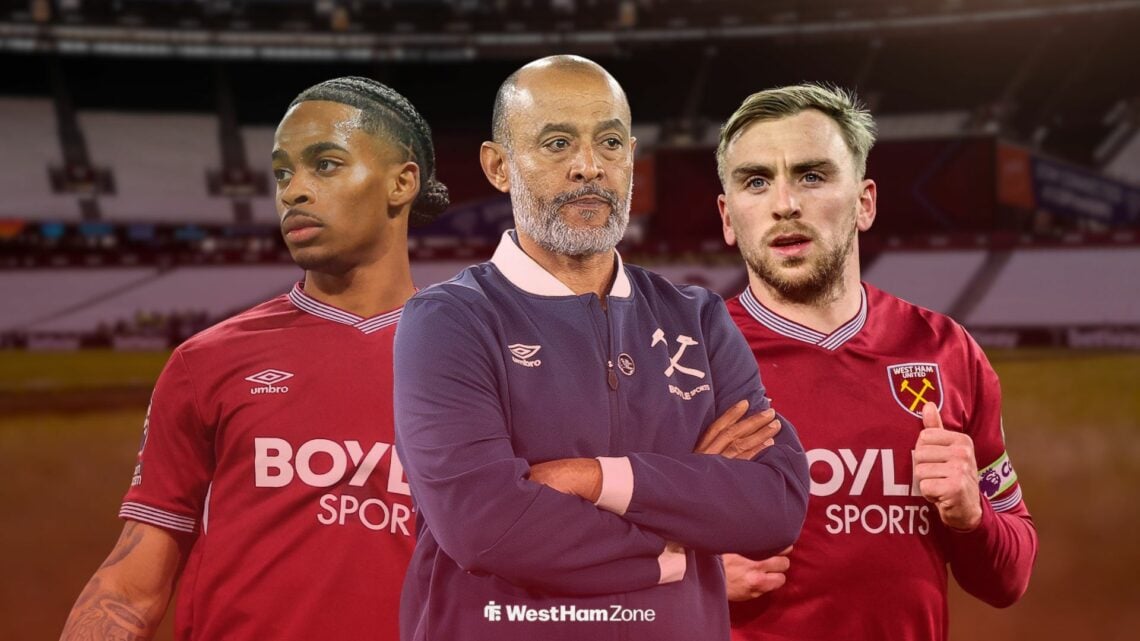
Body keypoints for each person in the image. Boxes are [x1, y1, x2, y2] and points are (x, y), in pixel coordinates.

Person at [392, 55, 810, 641]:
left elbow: (776, 504)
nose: (589, 167)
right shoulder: (447, 322)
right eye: (557, 143)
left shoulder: (699, 318)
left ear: (631, 156)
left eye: (609, 142)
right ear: (498, 166)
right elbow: (486, 527)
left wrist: (594, 479)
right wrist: (675, 543)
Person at [59, 76, 449, 641]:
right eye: (283, 173)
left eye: (326, 164)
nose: (293, 191)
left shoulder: (473, 365)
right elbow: (132, 582)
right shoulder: (208, 362)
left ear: (402, 182)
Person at [715, 83, 1038, 640]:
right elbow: (564, 559)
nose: (784, 203)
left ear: (864, 203)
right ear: (727, 216)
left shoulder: (946, 350)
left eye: (812, 175)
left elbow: (1008, 579)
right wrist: (681, 577)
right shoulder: (682, 359)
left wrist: (972, 514)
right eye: (756, 181)